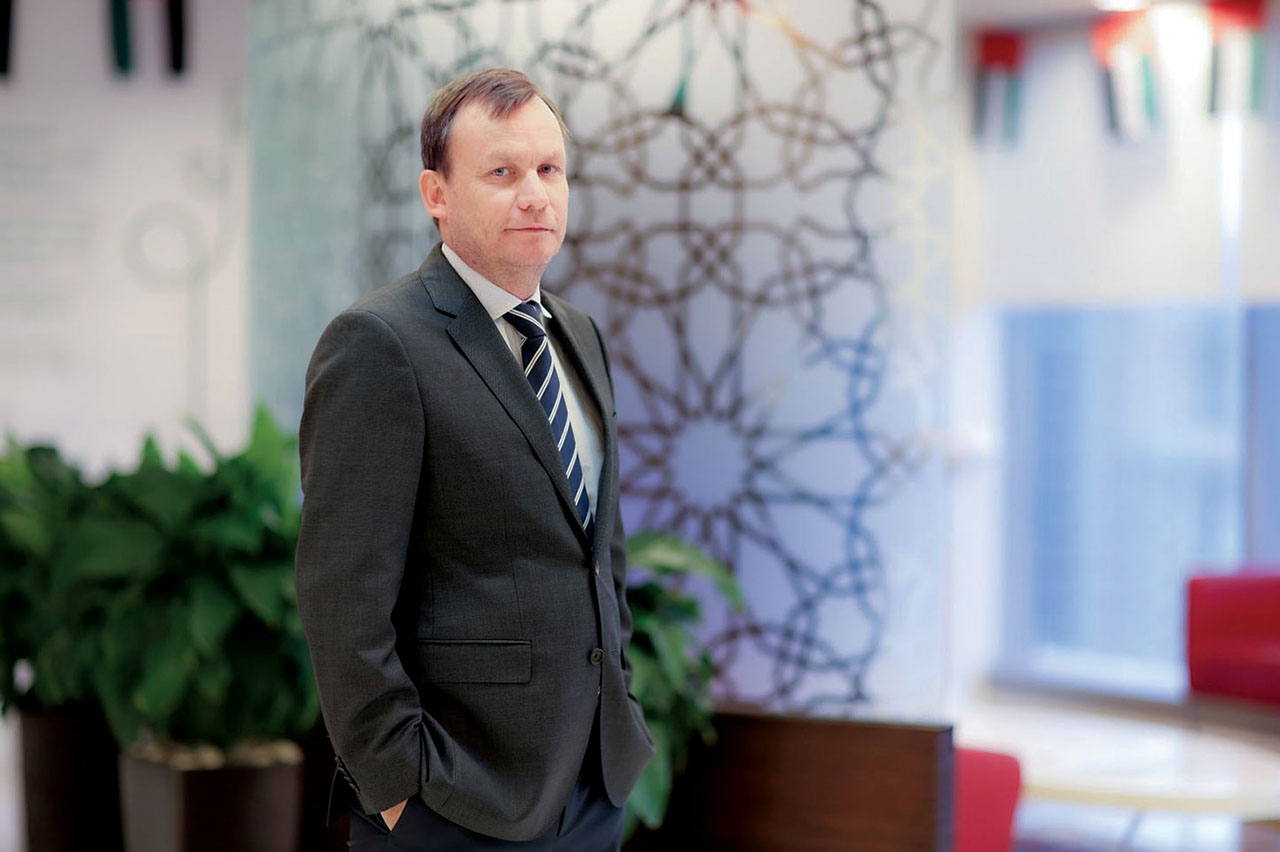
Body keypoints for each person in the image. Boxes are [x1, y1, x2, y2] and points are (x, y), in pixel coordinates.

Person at [294, 67, 655, 850]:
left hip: (591, 792)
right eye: (502, 173)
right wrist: (399, 788)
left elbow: (601, 553)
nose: (535, 195)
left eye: (549, 169)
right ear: (436, 194)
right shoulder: (379, 343)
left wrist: (620, 699)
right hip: (454, 801)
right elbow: (341, 598)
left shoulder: (579, 334)